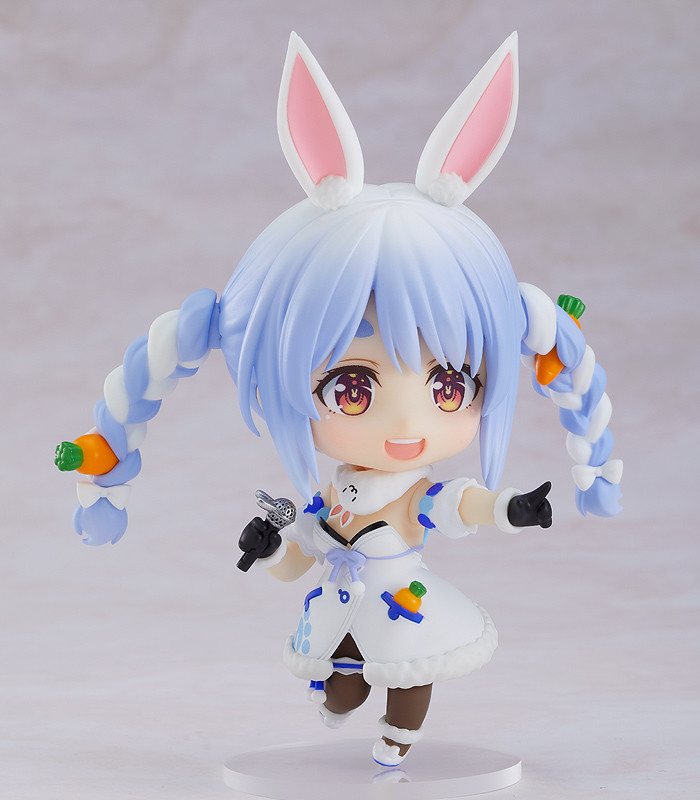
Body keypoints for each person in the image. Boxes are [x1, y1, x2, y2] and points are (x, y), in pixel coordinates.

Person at [56, 32, 622, 766]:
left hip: (405, 604)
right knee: (342, 686)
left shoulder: (408, 494)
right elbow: (300, 556)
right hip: (342, 608)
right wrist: (266, 550)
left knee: (409, 675)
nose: (409, 422)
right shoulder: (334, 498)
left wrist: (513, 508)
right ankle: (343, 704)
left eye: (450, 385)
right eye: (351, 388)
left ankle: (398, 740)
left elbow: (457, 504)